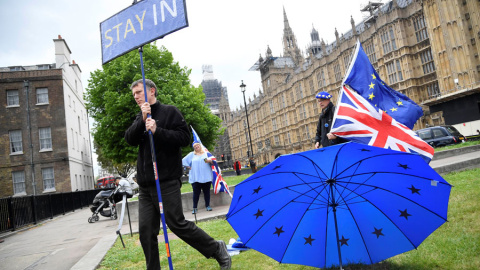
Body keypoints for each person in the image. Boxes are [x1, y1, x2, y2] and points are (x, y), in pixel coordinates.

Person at [124, 79, 231, 270]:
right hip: (146, 186)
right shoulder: (140, 117)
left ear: (152, 91)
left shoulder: (170, 112)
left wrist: (157, 130)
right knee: (146, 233)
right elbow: (130, 139)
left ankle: (217, 249)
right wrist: (142, 120)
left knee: (177, 224)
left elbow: (184, 138)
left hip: (166, 181)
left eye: (139, 92)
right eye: (134, 94)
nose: (136, 97)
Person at [182, 142, 214, 214]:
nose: (196, 147)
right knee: (196, 193)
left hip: (206, 176)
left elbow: (213, 162)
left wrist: (210, 161)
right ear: (194, 148)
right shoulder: (192, 155)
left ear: (200, 146)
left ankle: (208, 206)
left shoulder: (206, 153)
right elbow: (183, 161)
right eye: (195, 146)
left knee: (207, 192)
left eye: (198, 145)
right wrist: (188, 166)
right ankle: (195, 207)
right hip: (196, 177)